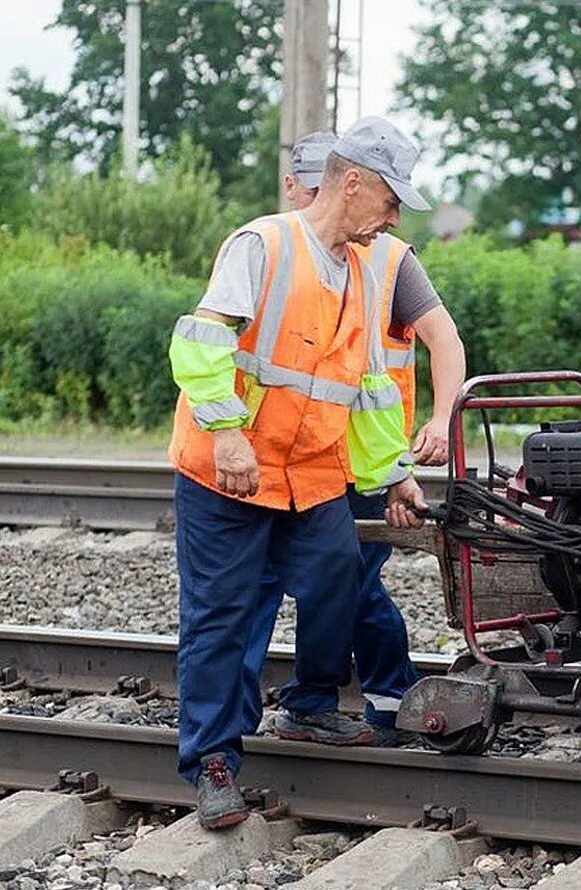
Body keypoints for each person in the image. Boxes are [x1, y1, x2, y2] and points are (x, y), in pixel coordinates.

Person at [168, 116, 428, 830]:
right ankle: (214, 763)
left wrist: (395, 471)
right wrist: (224, 430)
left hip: (308, 475)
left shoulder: (356, 269)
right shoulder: (264, 243)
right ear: (352, 184)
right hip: (229, 473)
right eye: (391, 199)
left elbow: (366, 387)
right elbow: (201, 341)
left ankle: (311, 706)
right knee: (219, 615)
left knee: (339, 579)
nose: (396, 217)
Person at [241, 131, 467, 746]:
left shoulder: (388, 260)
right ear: (297, 190)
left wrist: (432, 428)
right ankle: (249, 720)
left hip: (359, 460)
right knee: (265, 583)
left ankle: (372, 699)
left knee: (349, 582)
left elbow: (443, 342)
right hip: (285, 456)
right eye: (307, 192)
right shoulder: (276, 249)